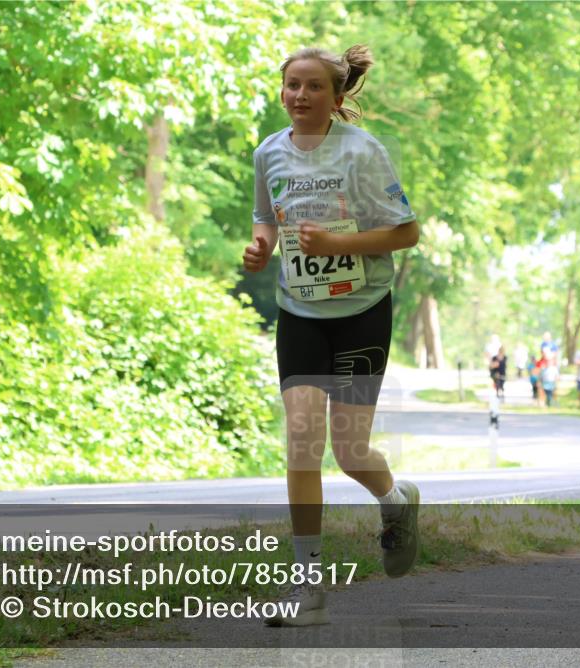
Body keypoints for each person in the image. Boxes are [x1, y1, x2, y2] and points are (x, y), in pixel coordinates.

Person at [243, 44, 422, 624]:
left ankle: (395, 503)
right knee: (300, 440)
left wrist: (339, 245)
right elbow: (266, 218)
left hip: (362, 311)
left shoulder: (363, 152)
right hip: (300, 312)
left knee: (347, 452)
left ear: (337, 97)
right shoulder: (269, 152)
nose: (300, 95)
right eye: (292, 85)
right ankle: (308, 589)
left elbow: (406, 232)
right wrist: (261, 246)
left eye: (314, 86)